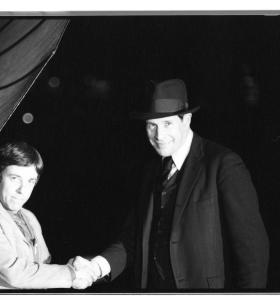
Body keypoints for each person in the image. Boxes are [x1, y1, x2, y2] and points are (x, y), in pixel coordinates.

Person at [72, 79, 269, 290]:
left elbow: (252, 251)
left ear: (187, 121)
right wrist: (96, 268)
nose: (159, 135)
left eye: (167, 124)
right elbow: (132, 240)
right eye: (152, 126)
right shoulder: (150, 171)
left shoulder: (223, 164)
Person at [0, 141, 95, 289]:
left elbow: (42, 267)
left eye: (30, 181)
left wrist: (73, 266)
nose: (22, 190)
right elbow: (14, 274)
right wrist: (71, 274)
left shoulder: (28, 217)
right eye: (15, 178)